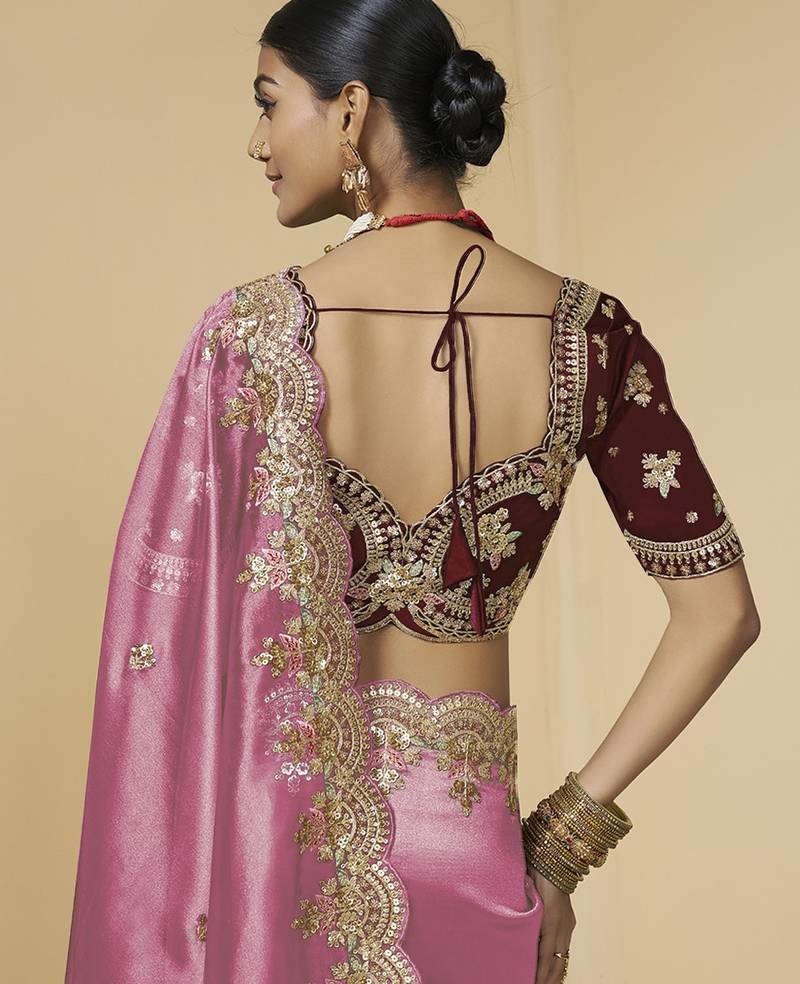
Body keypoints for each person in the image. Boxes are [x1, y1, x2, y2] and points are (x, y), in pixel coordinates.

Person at [64, 2, 761, 982]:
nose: (258, 142)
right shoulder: (589, 336)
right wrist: (562, 844)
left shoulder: (247, 339)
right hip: (478, 868)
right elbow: (721, 614)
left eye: (269, 103)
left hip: (274, 871)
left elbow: (163, 663)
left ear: (351, 112)